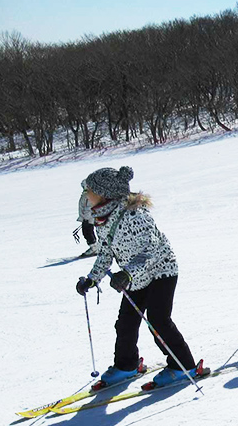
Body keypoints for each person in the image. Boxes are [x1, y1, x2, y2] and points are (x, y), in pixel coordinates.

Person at [75, 166, 201, 388]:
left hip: (161, 272)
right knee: (125, 323)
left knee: (158, 320)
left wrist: (126, 274)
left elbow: (150, 250)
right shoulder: (103, 219)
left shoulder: (135, 215)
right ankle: (127, 365)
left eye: (91, 191)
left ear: (105, 194)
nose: (87, 196)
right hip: (135, 278)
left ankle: (184, 365)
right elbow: (106, 252)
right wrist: (93, 279)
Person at [75, 183, 99, 257]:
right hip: (86, 218)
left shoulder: (89, 195)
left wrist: (86, 218)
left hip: (88, 218)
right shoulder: (86, 194)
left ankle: (94, 247)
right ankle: (94, 247)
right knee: (87, 232)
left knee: (87, 232)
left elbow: (89, 207)